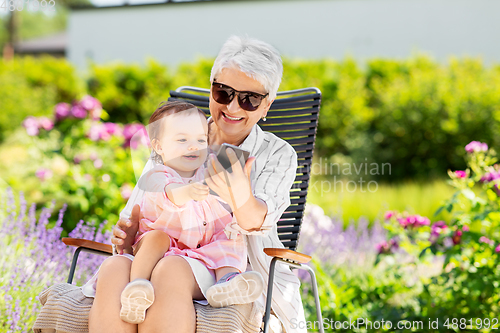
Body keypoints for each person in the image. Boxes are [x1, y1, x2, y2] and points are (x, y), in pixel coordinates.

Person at [89, 35, 306, 333]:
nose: (232, 107)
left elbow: (256, 220)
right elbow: (139, 210)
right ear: (210, 90)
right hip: (155, 252)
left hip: (230, 270)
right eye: (223, 92)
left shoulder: (278, 154)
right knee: (114, 268)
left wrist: (240, 190)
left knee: (171, 269)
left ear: (266, 105)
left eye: (249, 99)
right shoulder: (177, 136)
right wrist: (127, 237)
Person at [119, 101, 264, 324]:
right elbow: (170, 194)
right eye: (182, 140)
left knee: (228, 238)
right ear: (158, 146)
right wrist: (187, 191)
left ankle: (226, 282)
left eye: (200, 140)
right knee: (156, 238)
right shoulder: (157, 174)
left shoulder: (205, 170)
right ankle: (137, 286)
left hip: (196, 251)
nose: (193, 147)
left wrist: (234, 182)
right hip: (161, 246)